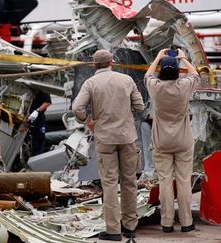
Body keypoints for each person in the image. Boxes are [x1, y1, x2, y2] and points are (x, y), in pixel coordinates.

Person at [72, 49, 144, 241]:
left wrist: (87, 120)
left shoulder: (90, 83)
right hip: (127, 137)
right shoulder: (126, 80)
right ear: (112, 62)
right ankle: (130, 227)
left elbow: (77, 107)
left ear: (95, 64)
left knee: (110, 183)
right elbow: (140, 106)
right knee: (129, 182)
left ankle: (113, 231)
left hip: (104, 138)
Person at [144, 48, 199, 233]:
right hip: (183, 141)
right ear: (177, 72)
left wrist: (159, 57)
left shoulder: (156, 88)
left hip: (161, 142)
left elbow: (148, 74)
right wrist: (183, 57)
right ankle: (186, 222)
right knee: (183, 182)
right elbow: (195, 74)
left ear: (162, 71)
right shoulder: (184, 86)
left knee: (165, 182)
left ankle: (167, 223)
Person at [27, 90, 51, 156]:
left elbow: (47, 102)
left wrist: (37, 111)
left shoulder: (41, 87)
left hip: (38, 117)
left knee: (39, 139)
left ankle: (37, 156)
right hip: (27, 117)